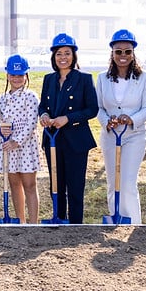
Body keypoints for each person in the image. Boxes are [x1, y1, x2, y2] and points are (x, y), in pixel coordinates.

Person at [95, 29, 146, 224]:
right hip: (111, 136)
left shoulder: (145, 78)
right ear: (112, 53)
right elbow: (99, 108)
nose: (123, 56)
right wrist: (107, 121)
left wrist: (131, 119)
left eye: (127, 52)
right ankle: (115, 220)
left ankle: (133, 223)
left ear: (133, 53)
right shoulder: (103, 78)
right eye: (118, 51)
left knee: (127, 183)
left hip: (134, 136)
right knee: (113, 183)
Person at [38, 33, 98, 224]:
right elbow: (43, 106)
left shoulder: (84, 79)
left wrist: (68, 118)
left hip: (76, 139)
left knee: (75, 185)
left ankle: (75, 224)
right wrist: (44, 115)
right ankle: (58, 218)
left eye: (67, 53)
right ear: (53, 57)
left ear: (74, 55)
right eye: (58, 54)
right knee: (56, 182)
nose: (62, 57)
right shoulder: (49, 79)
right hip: (53, 138)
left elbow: (92, 109)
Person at [0, 54, 41, 223]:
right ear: (7, 75)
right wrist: (0, 132)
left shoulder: (30, 96)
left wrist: (17, 141)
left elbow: (31, 122)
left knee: (29, 185)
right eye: (13, 75)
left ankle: (33, 223)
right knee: (14, 184)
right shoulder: (3, 99)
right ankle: (20, 221)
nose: (16, 78)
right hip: (8, 146)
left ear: (26, 75)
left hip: (25, 146)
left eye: (20, 75)